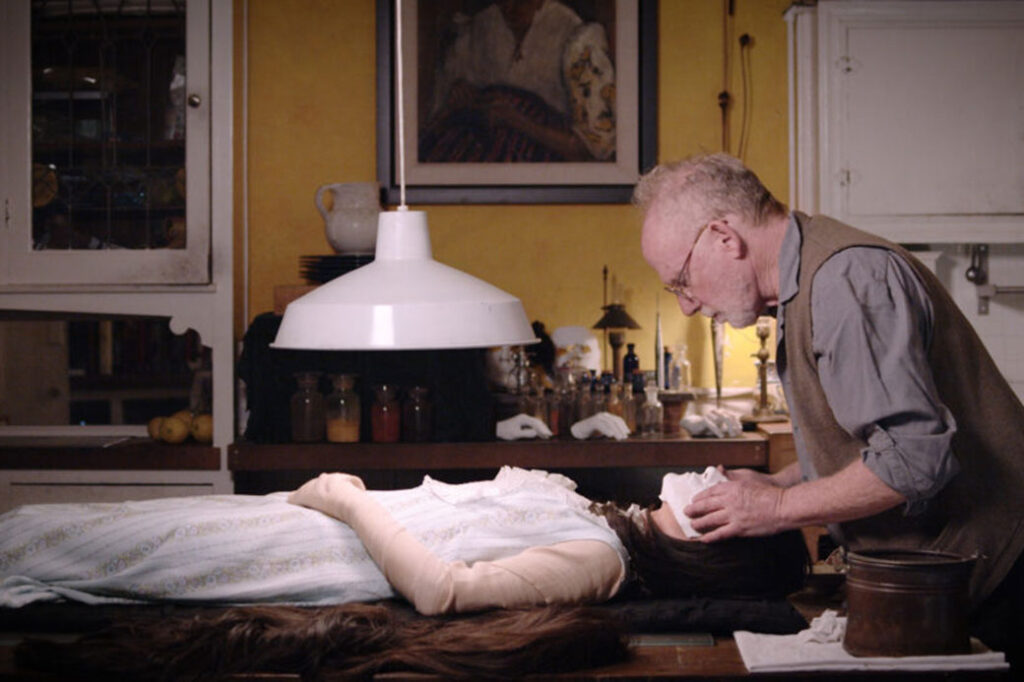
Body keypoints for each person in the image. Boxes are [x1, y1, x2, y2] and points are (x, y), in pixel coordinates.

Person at [634, 152, 1024, 666]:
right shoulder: (806, 285)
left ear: (724, 239)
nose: (686, 304)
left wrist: (775, 510)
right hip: (950, 576)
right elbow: (871, 443)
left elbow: (914, 459)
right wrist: (782, 482)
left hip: (1006, 571)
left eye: (681, 281)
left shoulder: (845, 281)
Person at [0, 467, 806, 612]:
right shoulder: (607, 520)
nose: (712, 467)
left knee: (61, 546)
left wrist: (347, 501)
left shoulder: (601, 562)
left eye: (732, 484)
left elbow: (442, 590)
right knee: (71, 528)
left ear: (722, 536)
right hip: (316, 517)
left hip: (320, 551)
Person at [420, 0, 616, 163]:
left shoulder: (575, 35)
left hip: (541, 159)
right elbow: (439, 115)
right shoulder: (479, 27)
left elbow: (591, 151)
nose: (509, 8)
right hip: (478, 150)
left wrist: (519, 122)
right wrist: (458, 97)